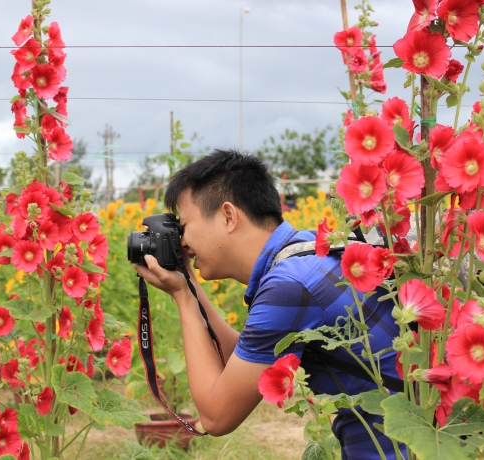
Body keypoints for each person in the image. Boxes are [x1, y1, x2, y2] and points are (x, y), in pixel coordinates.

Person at [133, 149, 403, 460]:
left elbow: (216, 417)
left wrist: (183, 298)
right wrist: (187, 284)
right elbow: (242, 359)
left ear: (228, 216)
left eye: (185, 225)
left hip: (391, 448)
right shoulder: (303, 253)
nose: (181, 241)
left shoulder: (289, 285)